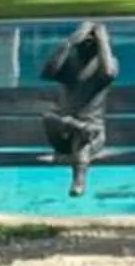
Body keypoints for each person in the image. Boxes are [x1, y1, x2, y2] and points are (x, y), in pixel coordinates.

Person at [41, 19, 120, 192]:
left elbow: (108, 73)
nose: (87, 42)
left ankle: (78, 182)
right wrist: (69, 42)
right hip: (64, 129)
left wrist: (102, 40)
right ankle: (75, 125)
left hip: (92, 132)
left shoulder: (108, 63)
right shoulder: (69, 64)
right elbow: (47, 72)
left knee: (82, 143)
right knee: (48, 117)